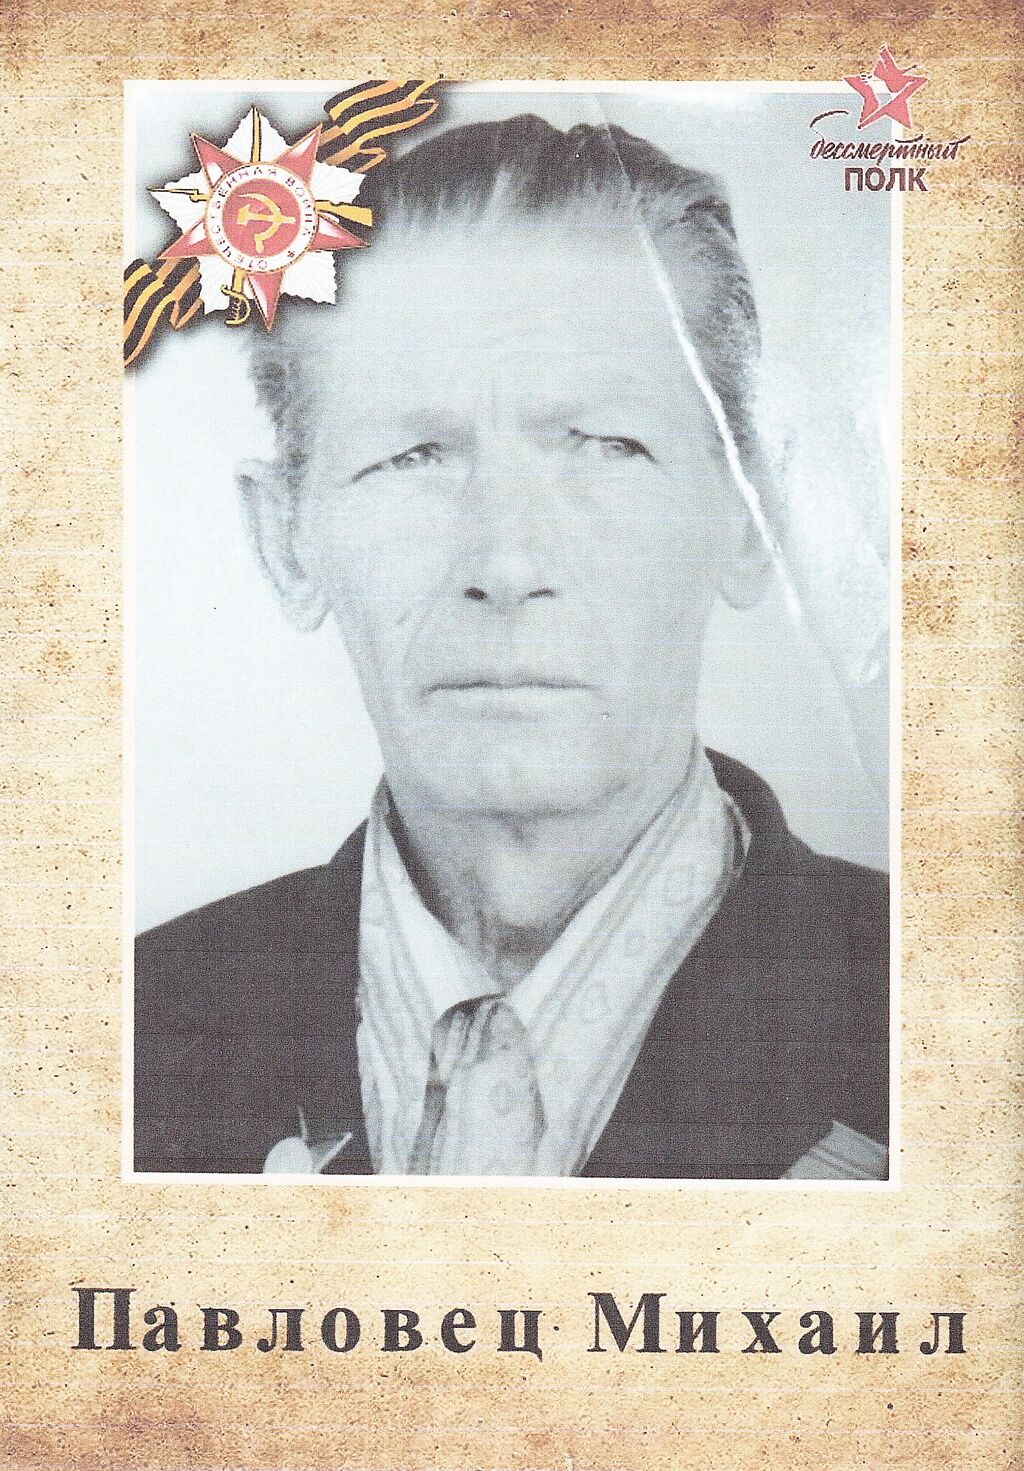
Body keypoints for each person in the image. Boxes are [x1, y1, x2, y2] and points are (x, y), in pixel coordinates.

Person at [134, 114, 889, 1179]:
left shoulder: (952, 1012)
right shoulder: (110, 1040)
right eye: (412, 456)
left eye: (606, 446)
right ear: (287, 539)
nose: (507, 561)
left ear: (751, 516)